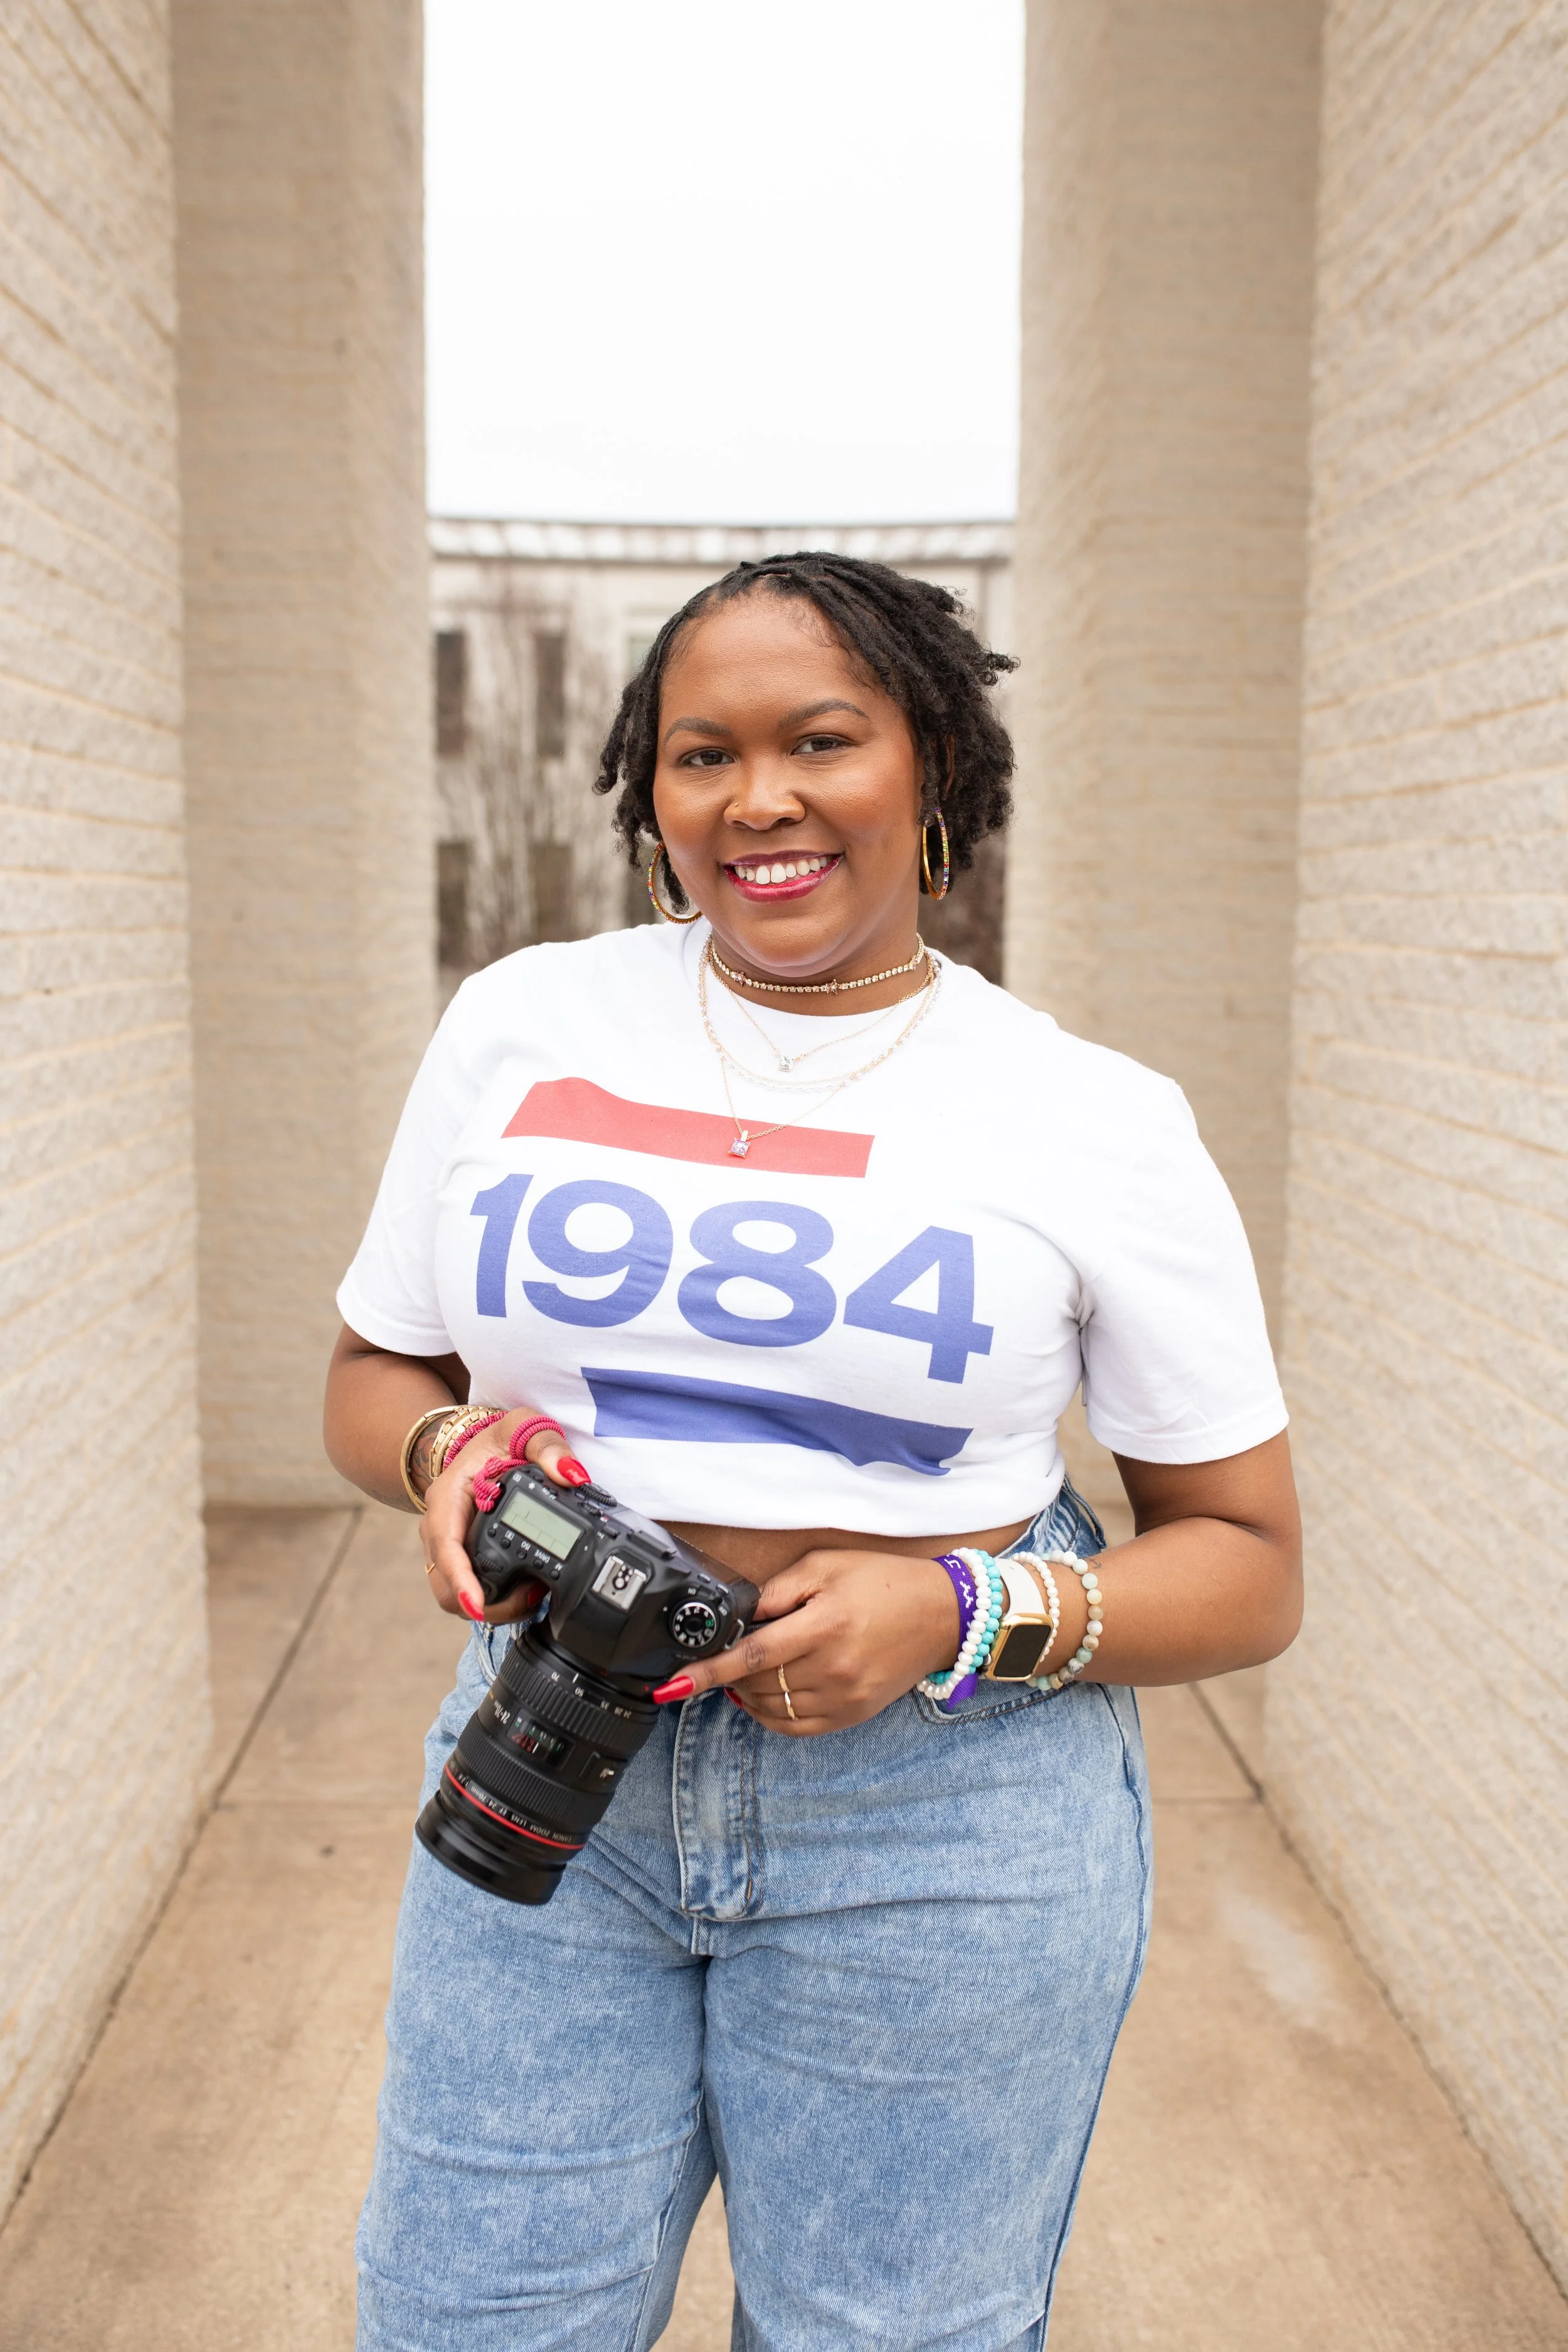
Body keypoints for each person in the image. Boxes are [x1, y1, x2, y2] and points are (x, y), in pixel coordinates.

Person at [326, 552, 1301, 2351]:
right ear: (652, 796)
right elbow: (376, 1365)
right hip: (549, 1749)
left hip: (939, 1828)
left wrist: (951, 1613)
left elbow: (1243, 1560)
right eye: (702, 753)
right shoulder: (525, 1021)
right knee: (471, 2316)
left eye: (820, 739)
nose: (758, 797)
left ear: (928, 765)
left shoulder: (1092, 1115)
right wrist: (446, 1449)